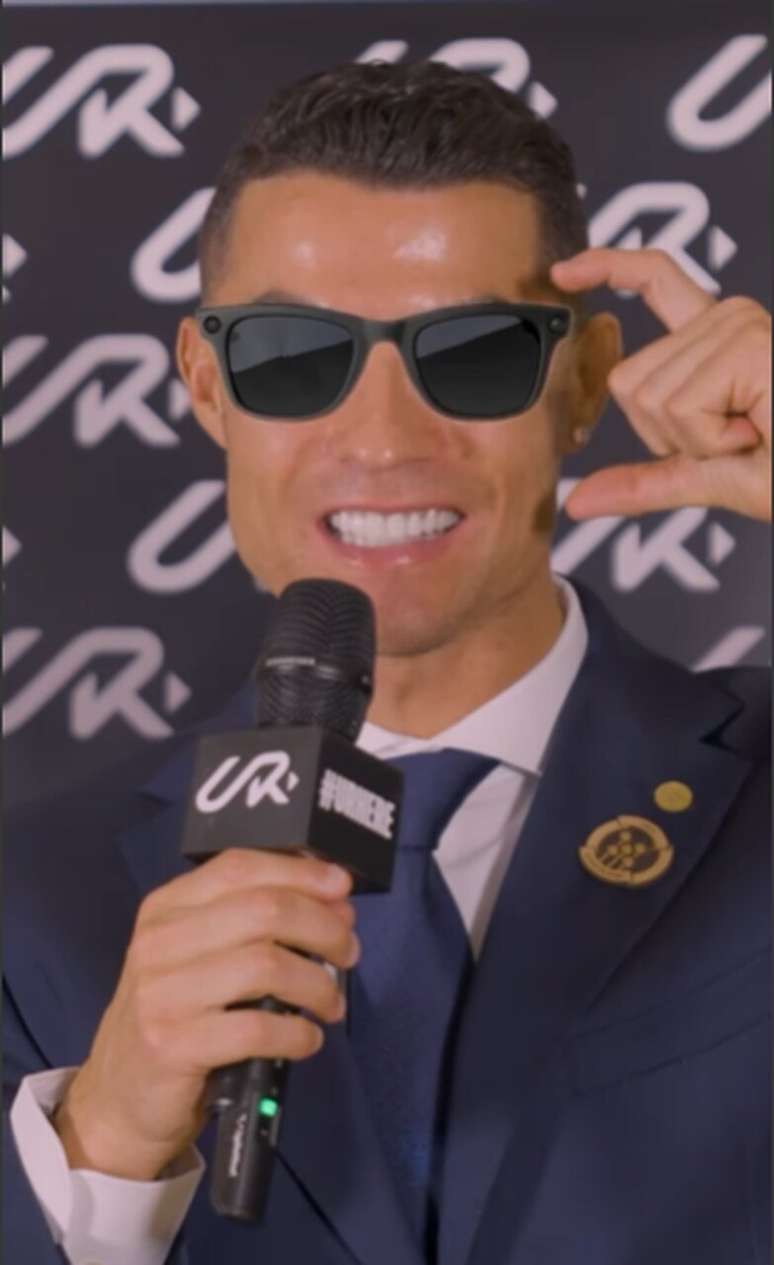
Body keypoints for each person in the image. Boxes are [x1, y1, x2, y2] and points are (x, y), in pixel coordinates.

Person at [4, 60, 770, 1265]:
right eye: (293, 354)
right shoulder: (30, 899)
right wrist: (103, 1147)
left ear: (581, 381)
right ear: (208, 385)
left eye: (473, 352)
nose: (381, 435)